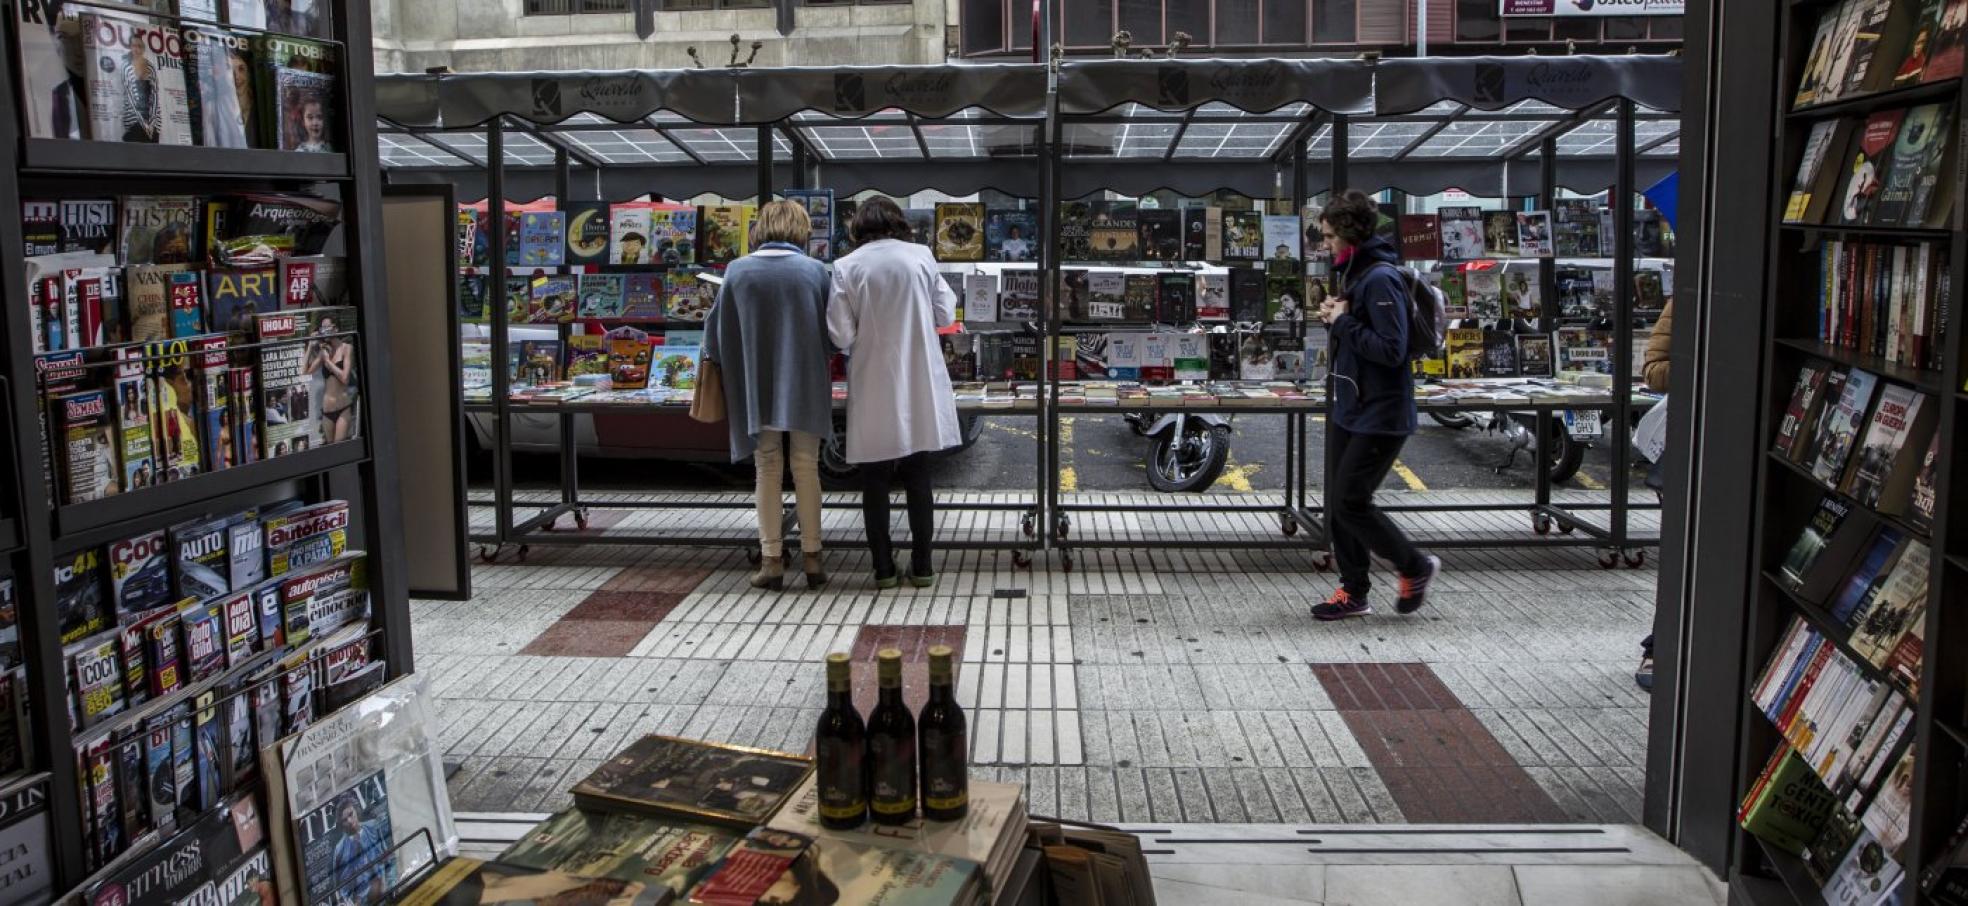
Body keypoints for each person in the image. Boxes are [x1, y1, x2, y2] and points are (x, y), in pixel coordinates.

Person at [1312, 190, 1441, 621]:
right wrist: (1339, 315)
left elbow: (1391, 349)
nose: (1325, 244)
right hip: (1353, 404)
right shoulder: (1358, 275)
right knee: (1339, 501)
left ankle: (1414, 566)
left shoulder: (1379, 278)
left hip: (1380, 411)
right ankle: (1354, 591)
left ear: (1349, 235)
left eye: (1330, 236)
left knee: (1351, 500)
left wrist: (1341, 321)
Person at [827, 196, 960, 589]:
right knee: (919, 476)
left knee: (875, 480)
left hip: (872, 381)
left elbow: (841, 334)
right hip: (920, 377)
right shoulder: (921, 256)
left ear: (858, 229)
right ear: (898, 222)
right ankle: (922, 566)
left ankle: (883, 569)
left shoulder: (845, 267)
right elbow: (945, 315)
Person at [704, 200, 835, 591]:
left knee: (767, 468)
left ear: (761, 228)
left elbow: (716, 336)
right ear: (800, 229)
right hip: (806, 383)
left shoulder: (737, 271)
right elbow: (833, 334)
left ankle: (772, 560)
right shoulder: (815, 271)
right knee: (807, 467)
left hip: (755, 383)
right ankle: (814, 560)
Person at [1634, 297, 1675, 690]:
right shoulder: (1685, 301)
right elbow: (1654, 371)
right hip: (1697, 449)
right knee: (1685, 555)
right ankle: (1660, 647)